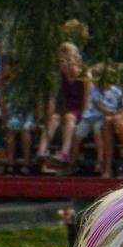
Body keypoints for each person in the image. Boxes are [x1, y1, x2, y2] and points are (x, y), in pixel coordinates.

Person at [37, 41, 87, 170]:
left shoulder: (84, 75)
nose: (66, 64)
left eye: (69, 59)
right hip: (68, 109)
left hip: (80, 109)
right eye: (63, 60)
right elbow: (53, 98)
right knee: (54, 118)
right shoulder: (59, 76)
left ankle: (64, 153)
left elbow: (86, 100)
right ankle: (42, 151)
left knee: (69, 117)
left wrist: (84, 118)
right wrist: (46, 116)